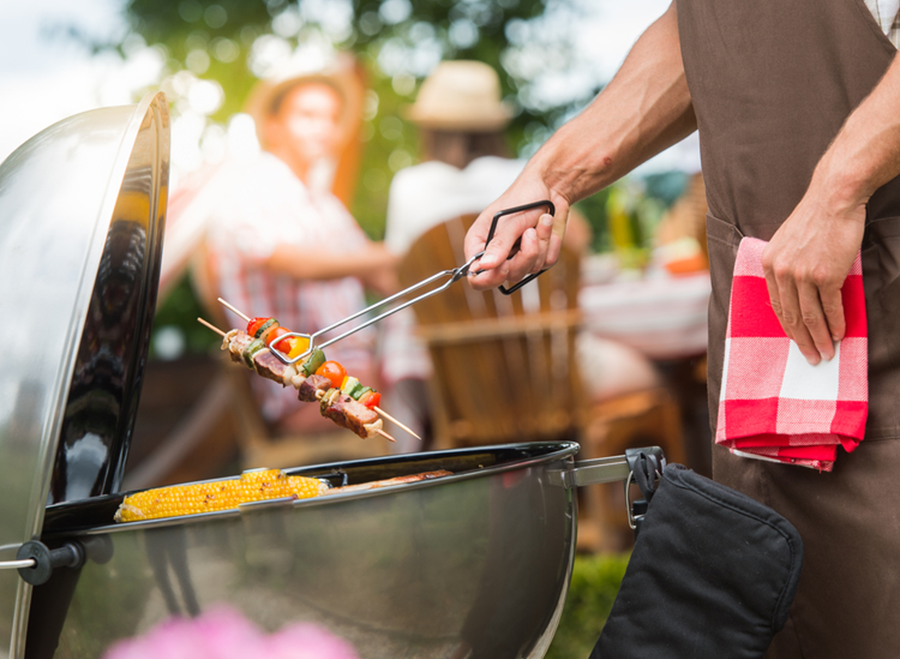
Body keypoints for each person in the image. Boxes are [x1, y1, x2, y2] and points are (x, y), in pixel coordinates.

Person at [463, 2, 900, 657]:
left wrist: (840, 190)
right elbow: (702, 30)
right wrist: (551, 177)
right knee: (778, 588)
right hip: (760, 300)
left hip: (878, 267)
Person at [175, 64, 398, 435]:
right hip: (303, 391)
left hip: (361, 370)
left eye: (331, 118)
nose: (324, 128)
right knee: (431, 381)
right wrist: (399, 250)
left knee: (431, 359)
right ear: (273, 125)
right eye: (308, 115)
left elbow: (380, 274)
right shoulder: (248, 189)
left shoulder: (324, 204)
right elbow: (294, 262)